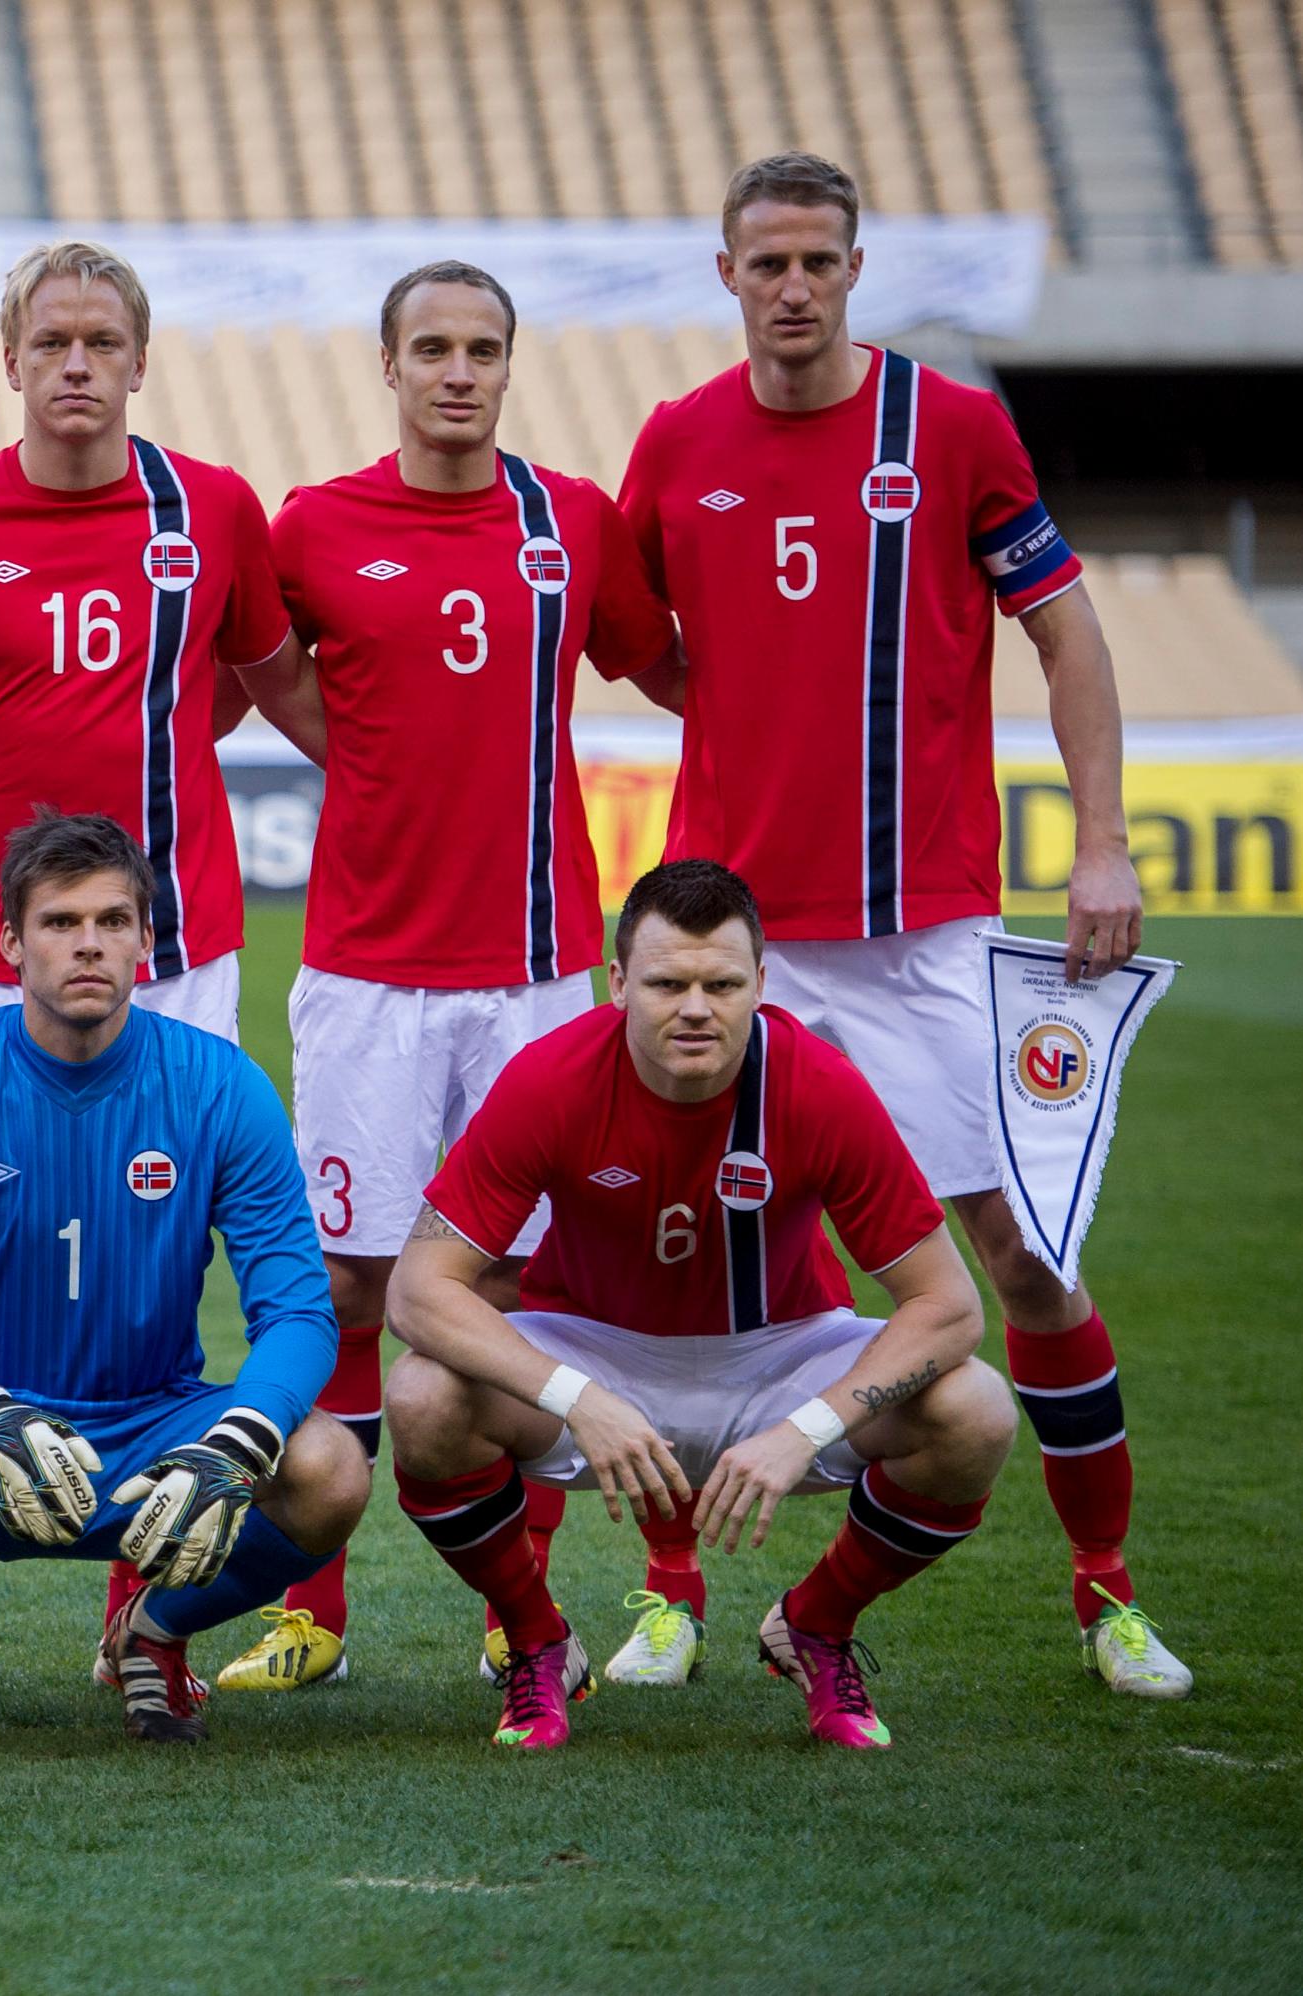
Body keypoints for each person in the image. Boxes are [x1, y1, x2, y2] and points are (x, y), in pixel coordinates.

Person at [618, 152, 1185, 1696]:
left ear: (854, 269)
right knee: (699, 1263)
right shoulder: (674, 443)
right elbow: (637, 641)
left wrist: (1103, 843)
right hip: (733, 940)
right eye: (764, 262)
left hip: (921, 928)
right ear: (722, 272)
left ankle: (1105, 1593)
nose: (791, 285)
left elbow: (1063, 631)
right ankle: (671, 1593)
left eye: (816, 259)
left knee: (1020, 1255)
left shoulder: (952, 426)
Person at [0, 240, 298, 1694]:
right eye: (50, 342)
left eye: (102, 340)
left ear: (140, 359)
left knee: (166, 1265)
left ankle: (140, 1608)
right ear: (9, 359)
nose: (76, 364)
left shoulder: (211, 510)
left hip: (182, 940)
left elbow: (259, 679)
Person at [217, 262, 681, 1697]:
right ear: (388, 364)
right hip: (366, 973)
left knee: (527, 1288)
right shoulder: (315, 526)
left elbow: (670, 667)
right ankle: (315, 1611)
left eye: (483, 350)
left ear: (507, 364)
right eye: (432, 348)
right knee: (351, 1286)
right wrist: (361, 759)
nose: (458, 373)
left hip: (538, 976)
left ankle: (513, 1613)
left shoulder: (571, 520)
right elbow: (267, 677)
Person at [384, 859, 1013, 1750]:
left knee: (977, 1411)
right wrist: (576, 1397)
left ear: (761, 982)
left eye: (722, 984)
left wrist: (808, 1430)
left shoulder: (817, 1082)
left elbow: (948, 1308)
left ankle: (816, 1624)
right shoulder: (551, 1076)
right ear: (617, 982)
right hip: (595, 1349)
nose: (695, 1008)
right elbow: (420, 1288)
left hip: (780, 1352)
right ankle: (537, 1642)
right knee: (420, 1398)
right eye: (667, 983)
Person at [0, 811, 367, 1748]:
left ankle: (152, 1636)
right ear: (10, 945)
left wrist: (236, 1441)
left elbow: (301, 1309)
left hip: (156, 1431)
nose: (88, 944)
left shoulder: (222, 1087)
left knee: (329, 1468)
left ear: (147, 942)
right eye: (61, 922)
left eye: (113, 921)